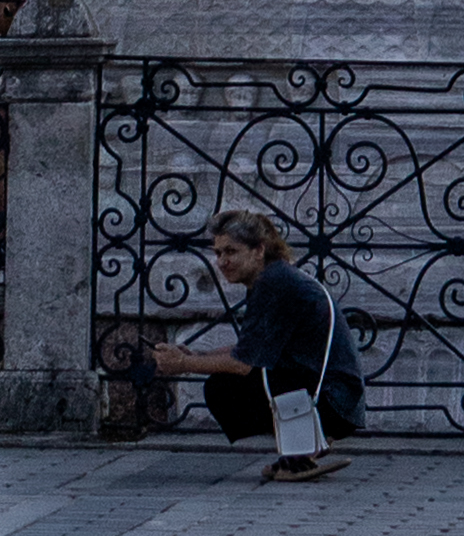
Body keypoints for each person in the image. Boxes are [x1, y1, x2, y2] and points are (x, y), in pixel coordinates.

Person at [149, 202, 363, 475]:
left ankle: (302, 449)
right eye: (217, 253)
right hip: (341, 395)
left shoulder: (273, 283)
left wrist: (182, 364)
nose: (222, 261)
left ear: (259, 250)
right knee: (238, 378)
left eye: (231, 251)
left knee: (224, 388)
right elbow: (252, 348)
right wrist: (196, 356)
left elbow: (243, 363)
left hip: (334, 401)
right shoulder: (273, 278)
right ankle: (299, 451)